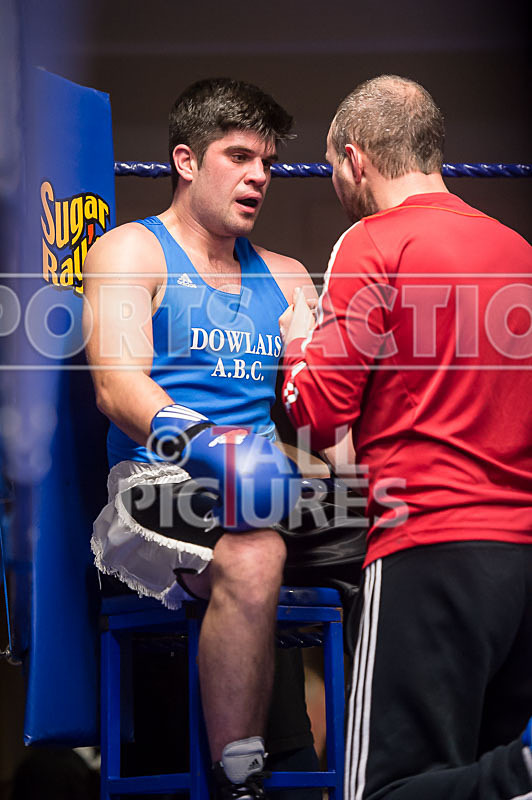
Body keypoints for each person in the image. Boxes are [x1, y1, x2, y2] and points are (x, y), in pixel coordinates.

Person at [280, 75, 532, 800]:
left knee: (383, 790)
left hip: (429, 550)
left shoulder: (374, 239)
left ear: (357, 159)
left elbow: (318, 412)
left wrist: (298, 343)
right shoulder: (515, 246)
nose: (334, 184)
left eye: (331, 166)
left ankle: (521, 771)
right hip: (519, 559)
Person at [83, 78, 323, 800]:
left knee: (411, 529)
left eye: (269, 162)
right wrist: (213, 447)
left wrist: (313, 365)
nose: (259, 177)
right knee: (254, 554)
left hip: (262, 490)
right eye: (240, 156)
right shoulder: (132, 252)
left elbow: (322, 424)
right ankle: (238, 779)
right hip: (153, 490)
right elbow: (118, 387)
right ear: (187, 161)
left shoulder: (284, 278)